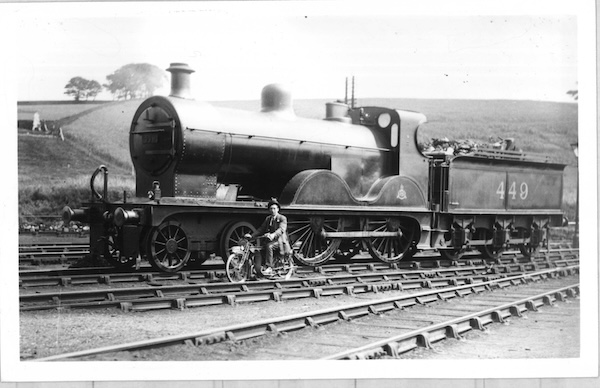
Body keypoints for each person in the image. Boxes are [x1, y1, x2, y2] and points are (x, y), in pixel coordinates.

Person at [245, 198, 290, 277]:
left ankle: (269, 267)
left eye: (274, 208)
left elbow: (281, 229)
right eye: (271, 209)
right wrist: (252, 236)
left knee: (269, 246)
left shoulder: (282, 218)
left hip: (280, 241)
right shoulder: (268, 219)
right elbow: (261, 229)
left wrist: (273, 235)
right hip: (270, 240)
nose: (272, 210)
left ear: (278, 209)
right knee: (258, 249)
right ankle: (258, 268)